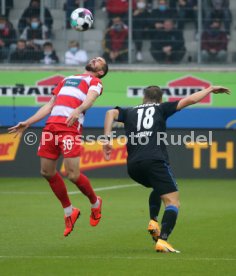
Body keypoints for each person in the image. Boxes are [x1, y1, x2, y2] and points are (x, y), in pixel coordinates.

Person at [103, 85, 230, 252]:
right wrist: (210, 89)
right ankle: (163, 240)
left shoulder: (130, 111)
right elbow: (190, 99)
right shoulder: (162, 108)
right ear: (160, 99)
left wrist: (107, 138)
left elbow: (109, 113)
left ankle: (153, 221)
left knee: (159, 188)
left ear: (144, 98)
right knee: (173, 202)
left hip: (133, 166)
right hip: (155, 161)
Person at [9, 57, 109, 237]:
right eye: (95, 58)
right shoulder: (66, 79)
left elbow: (90, 100)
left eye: (99, 61)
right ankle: (70, 211)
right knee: (46, 172)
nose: (95, 59)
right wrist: (29, 122)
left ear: (101, 71)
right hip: (51, 127)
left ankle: (95, 202)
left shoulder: (95, 82)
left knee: (72, 174)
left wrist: (78, 110)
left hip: (70, 127)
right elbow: (50, 105)